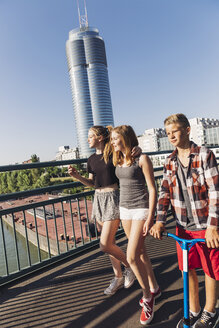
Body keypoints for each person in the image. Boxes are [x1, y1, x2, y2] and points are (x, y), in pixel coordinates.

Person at [150, 114, 219, 328]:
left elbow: (216, 191)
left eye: (175, 131)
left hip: (205, 225)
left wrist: (213, 226)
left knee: (210, 269)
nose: (171, 136)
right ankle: (195, 310)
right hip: (182, 226)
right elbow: (164, 193)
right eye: (168, 133)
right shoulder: (169, 161)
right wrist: (160, 221)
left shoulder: (205, 155)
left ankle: (210, 312)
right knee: (187, 269)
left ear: (188, 130)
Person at [68, 125, 136, 296]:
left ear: (99, 137)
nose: (87, 139)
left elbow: (129, 154)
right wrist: (77, 177)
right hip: (97, 200)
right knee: (110, 243)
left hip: (112, 197)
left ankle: (130, 266)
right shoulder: (91, 159)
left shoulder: (113, 153)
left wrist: (138, 149)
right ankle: (118, 277)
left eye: (90, 136)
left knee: (105, 245)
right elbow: (92, 183)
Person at [111, 125, 160, 326]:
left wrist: (150, 217)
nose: (112, 142)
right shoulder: (118, 159)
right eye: (112, 139)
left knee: (131, 256)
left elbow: (152, 188)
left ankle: (148, 297)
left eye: (115, 138)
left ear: (126, 138)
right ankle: (155, 286)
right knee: (140, 253)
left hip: (141, 210)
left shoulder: (142, 159)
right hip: (125, 210)